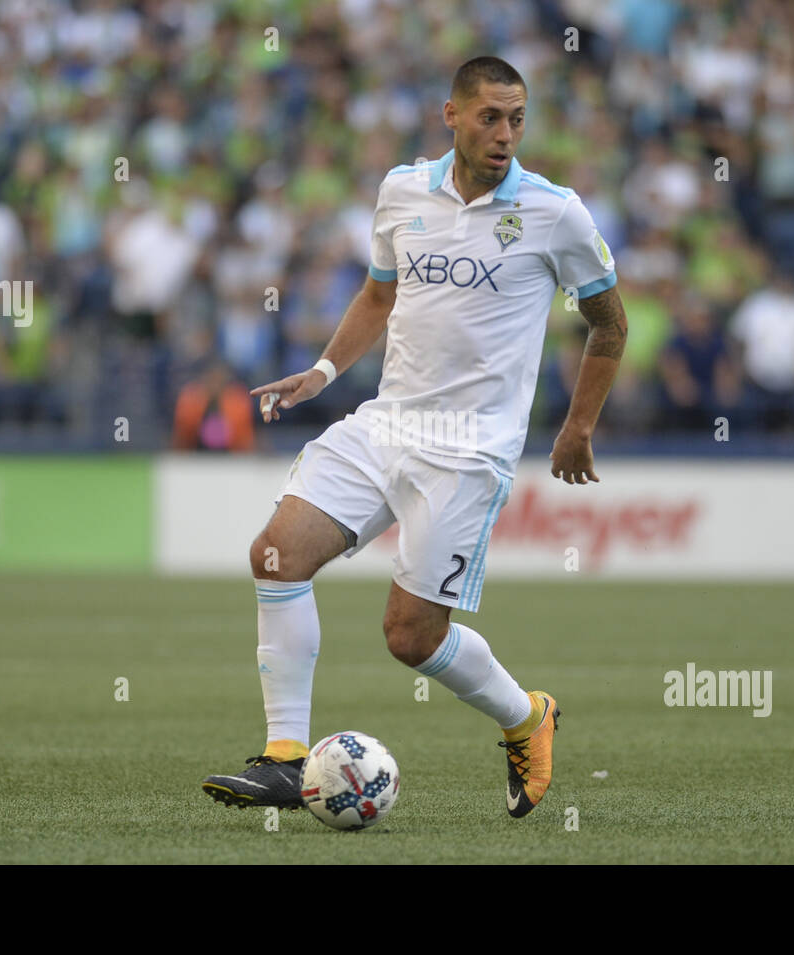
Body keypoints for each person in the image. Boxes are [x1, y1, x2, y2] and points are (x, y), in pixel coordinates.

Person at [200, 57, 627, 820]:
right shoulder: (402, 191)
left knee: (410, 636)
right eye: (490, 117)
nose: (505, 134)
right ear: (451, 116)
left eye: (517, 119)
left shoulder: (554, 212)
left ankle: (527, 715)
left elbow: (609, 323)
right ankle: (283, 758)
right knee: (275, 553)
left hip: (467, 451)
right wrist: (324, 371)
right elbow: (377, 293)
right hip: (386, 424)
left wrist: (578, 426)